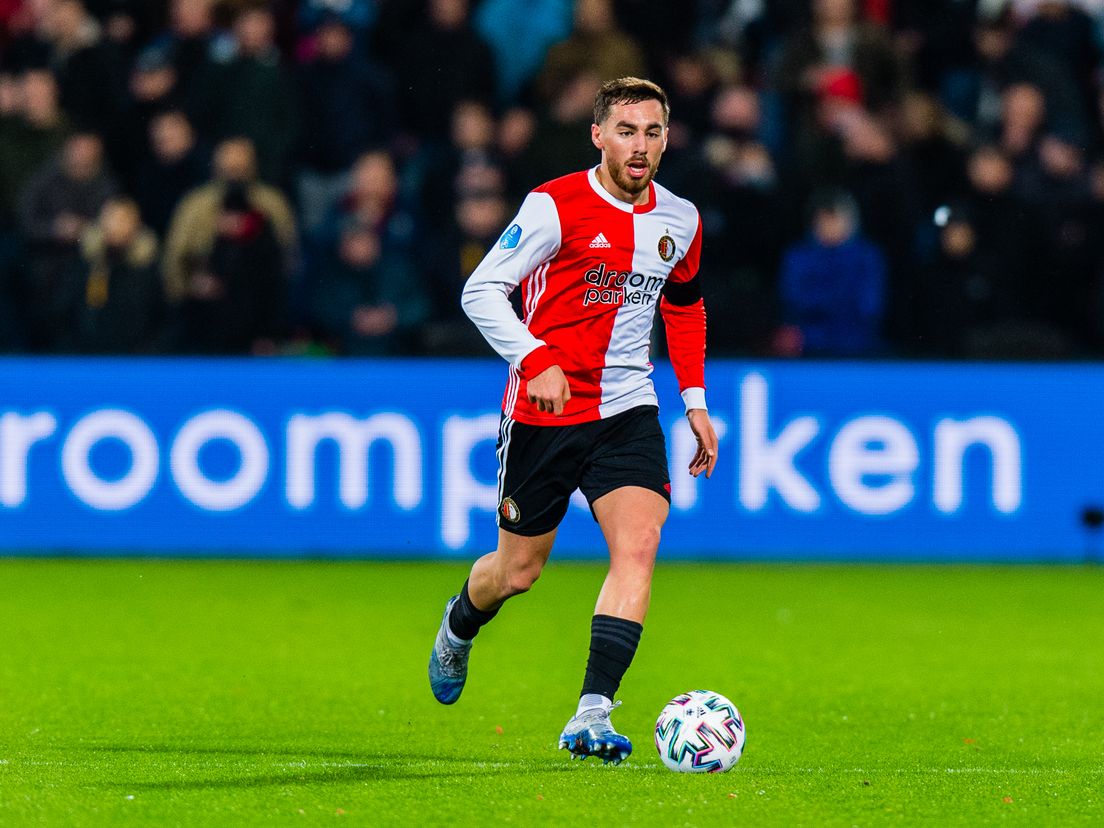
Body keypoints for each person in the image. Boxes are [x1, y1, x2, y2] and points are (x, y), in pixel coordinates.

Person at [427, 77, 719, 764]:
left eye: (652, 132)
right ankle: (460, 624)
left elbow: (684, 305)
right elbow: (481, 291)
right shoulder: (554, 206)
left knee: (640, 542)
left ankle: (592, 712)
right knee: (517, 571)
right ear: (598, 135)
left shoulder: (681, 220)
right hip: (545, 412)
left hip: (628, 407)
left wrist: (696, 402)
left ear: (667, 138)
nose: (640, 145)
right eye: (626, 130)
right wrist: (535, 358)